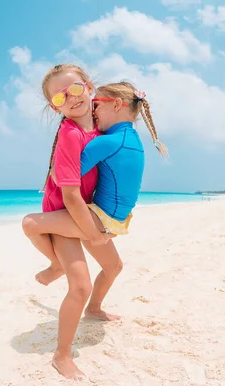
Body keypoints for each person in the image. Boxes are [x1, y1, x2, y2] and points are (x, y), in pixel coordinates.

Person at [21, 63, 116, 380]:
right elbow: (71, 197)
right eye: (60, 97)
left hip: (87, 211)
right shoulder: (70, 135)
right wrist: (94, 234)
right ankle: (61, 355)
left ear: (88, 86)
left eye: (75, 88)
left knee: (114, 267)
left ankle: (94, 308)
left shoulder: (100, 126)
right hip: (65, 215)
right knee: (80, 287)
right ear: (54, 107)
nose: (71, 98)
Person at [23, 80, 168, 285]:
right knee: (114, 267)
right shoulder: (133, 139)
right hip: (118, 220)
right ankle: (94, 309)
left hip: (100, 219)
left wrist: (59, 163)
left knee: (30, 224)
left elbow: (65, 176)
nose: (93, 110)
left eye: (97, 104)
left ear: (116, 105)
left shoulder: (106, 142)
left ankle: (56, 265)